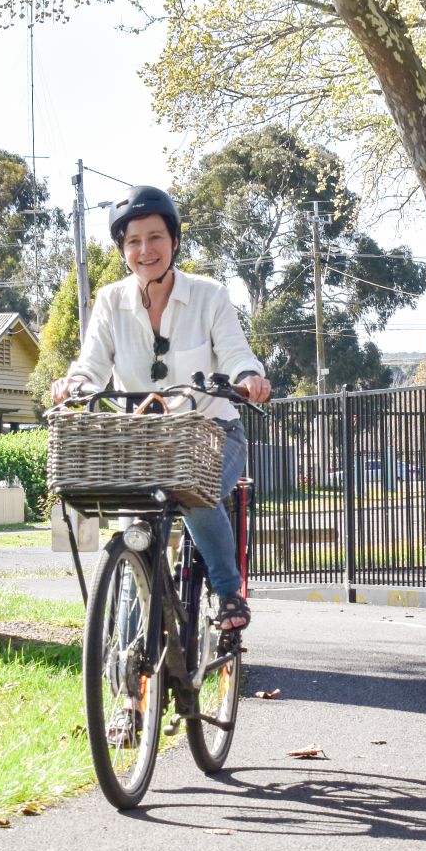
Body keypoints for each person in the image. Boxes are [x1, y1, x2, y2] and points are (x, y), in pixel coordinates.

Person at [48, 184, 273, 631]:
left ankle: (229, 592)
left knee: (192, 488)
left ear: (173, 241)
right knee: (136, 538)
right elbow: (91, 363)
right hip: (144, 445)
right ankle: (131, 670)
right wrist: (74, 382)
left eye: (154, 237)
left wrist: (249, 377)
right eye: (133, 241)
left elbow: (234, 353)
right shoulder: (112, 301)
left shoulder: (210, 295)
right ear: (122, 249)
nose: (144, 249)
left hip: (212, 436)